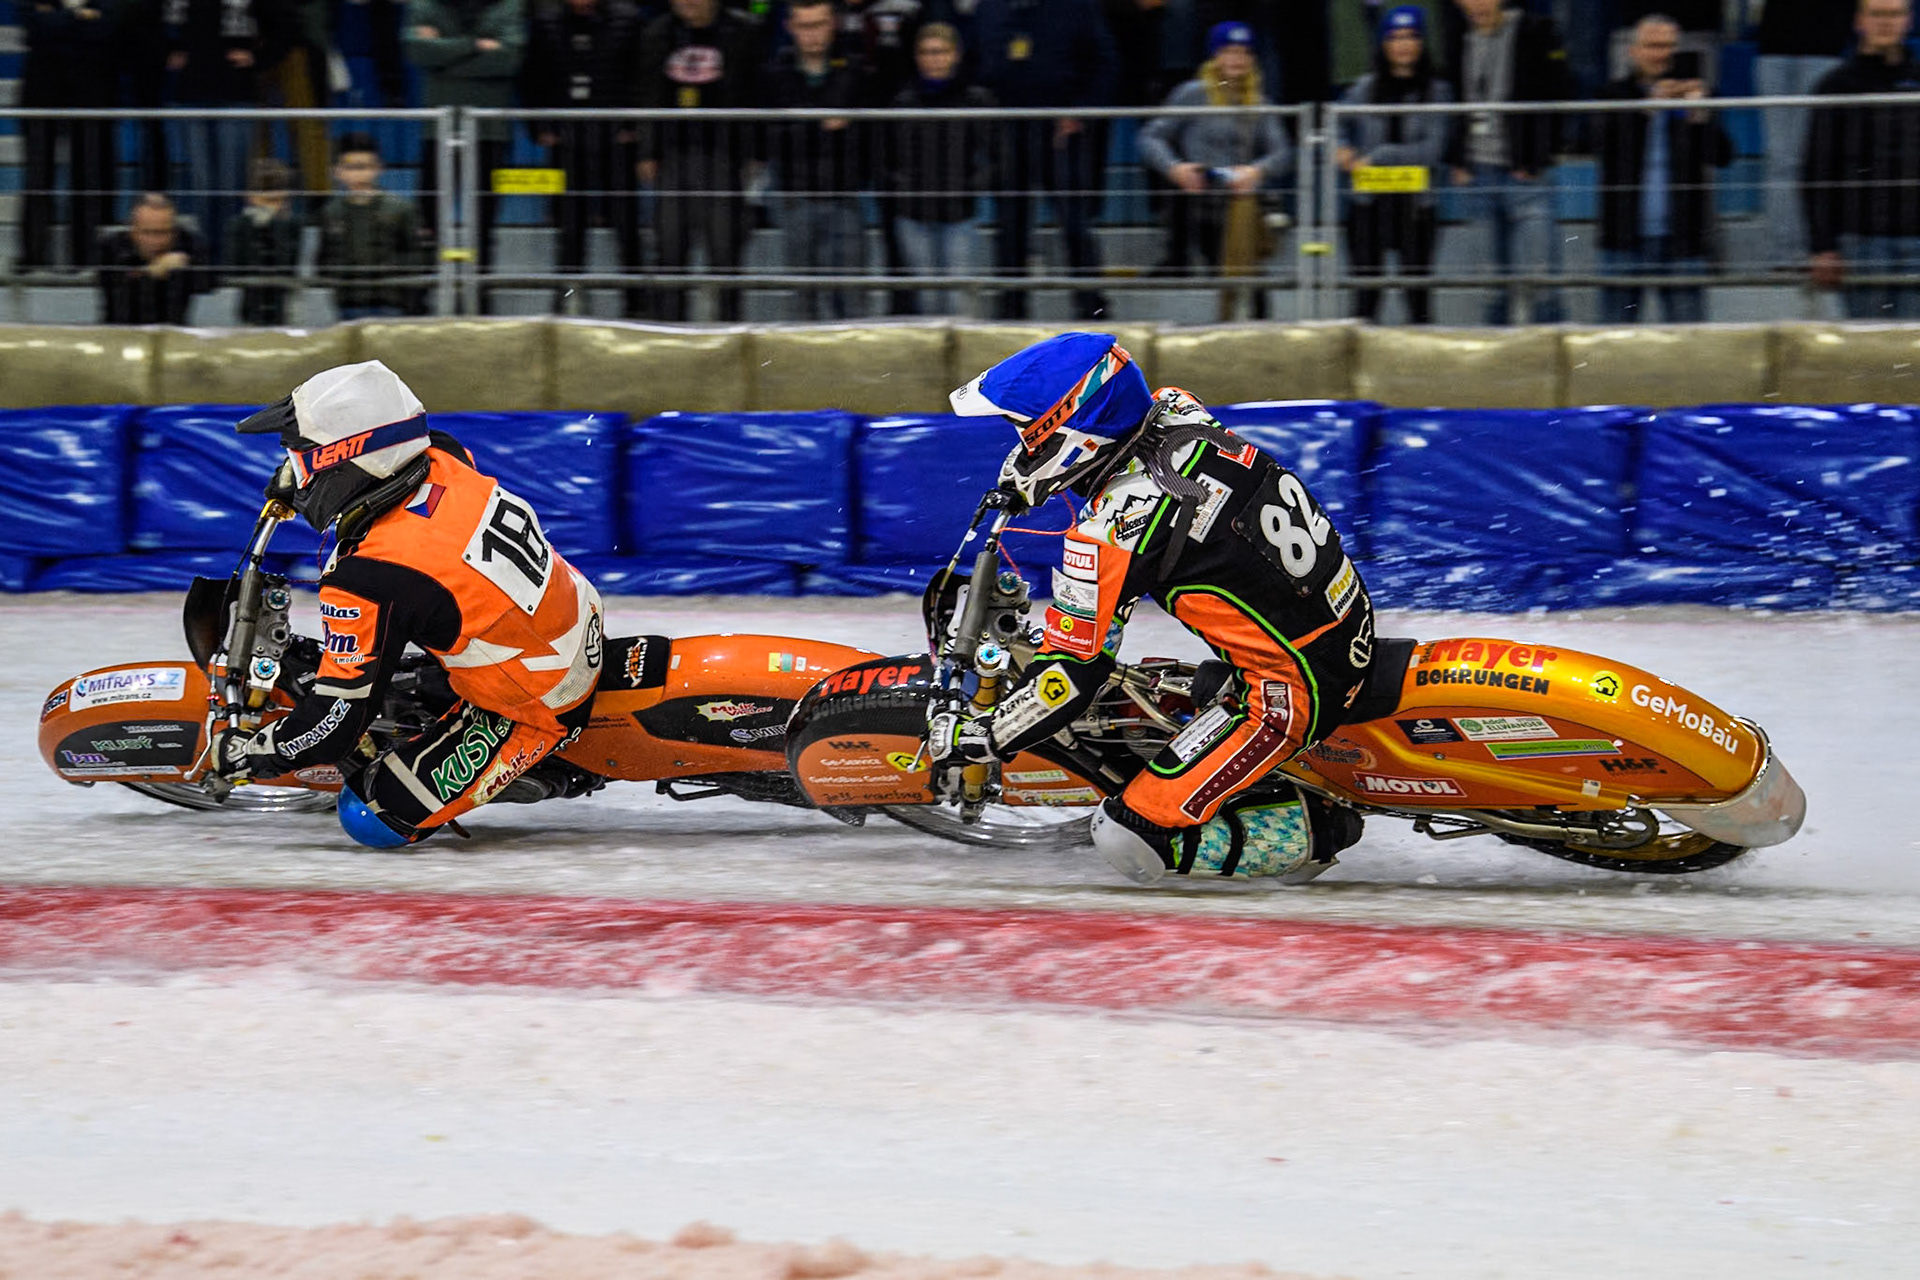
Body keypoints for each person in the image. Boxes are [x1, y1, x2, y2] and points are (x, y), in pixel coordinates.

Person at [929, 332, 1374, 886]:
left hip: (1295, 689)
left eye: (1025, 434)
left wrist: (987, 737)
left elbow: (1070, 676)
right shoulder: (1177, 409)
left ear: (1072, 435)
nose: (1019, 448)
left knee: (1125, 836)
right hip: (1339, 614)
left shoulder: (1109, 532)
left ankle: (1317, 830)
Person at [208, 360, 607, 848]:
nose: (295, 475)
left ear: (351, 459)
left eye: (302, 462)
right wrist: (302, 472)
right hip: (563, 617)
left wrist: (253, 753)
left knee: (370, 813)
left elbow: (332, 728)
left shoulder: (372, 576)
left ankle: (540, 763)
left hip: (541, 696)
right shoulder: (441, 455)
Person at [972, 0, 1119, 321]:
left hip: (1060, 131)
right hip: (1008, 131)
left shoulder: (1077, 8)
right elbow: (976, 66)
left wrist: (1078, 112)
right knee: (1011, 225)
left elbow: (1105, 63)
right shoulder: (991, 8)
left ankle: (1092, 307)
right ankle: (1011, 309)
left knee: (1074, 223)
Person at [1137, 21, 1290, 321]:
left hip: (1240, 201)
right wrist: (1175, 168)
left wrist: (1256, 171)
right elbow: (1150, 136)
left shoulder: (1259, 102)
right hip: (1199, 199)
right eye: (1228, 51)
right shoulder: (1192, 94)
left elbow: (1283, 152)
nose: (1236, 59)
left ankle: (1259, 332)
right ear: (1214, 56)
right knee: (1219, 273)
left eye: (1243, 52)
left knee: (1253, 278)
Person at [1593, 14, 1732, 325]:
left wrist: (1700, 115)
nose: (1661, 54)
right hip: (1624, 237)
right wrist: (1648, 108)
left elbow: (1722, 155)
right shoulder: (1613, 95)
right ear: (1633, 51)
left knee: (1688, 341)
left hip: (1682, 240)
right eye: (1652, 46)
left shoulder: (1696, 95)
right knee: (1615, 339)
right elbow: (1596, 142)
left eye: (1668, 46)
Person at [1444, 0, 1576, 325]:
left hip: (1526, 176)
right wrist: (1458, 159)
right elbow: (1455, 101)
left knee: (1542, 280)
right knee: (1492, 286)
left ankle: (1554, 366)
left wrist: (1539, 157)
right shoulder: (1457, 37)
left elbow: (1561, 93)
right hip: (1479, 175)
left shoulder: (1535, 31)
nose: (1476, 4)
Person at [635, 0, 768, 321]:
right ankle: (669, 335)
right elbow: (648, 94)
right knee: (670, 254)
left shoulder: (745, 31)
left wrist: (757, 153)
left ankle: (730, 335)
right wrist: (647, 151)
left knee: (725, 255)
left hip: (724, 157)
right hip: (673, 157)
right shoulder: (657, 33)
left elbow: (757, 93)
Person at [522, 0, 648, 317]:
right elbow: (533, 76)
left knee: (627, 228)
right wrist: (540, 127)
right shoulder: (545, 21)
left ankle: (637, 309)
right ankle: (567, 306)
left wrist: (634, 126)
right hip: (566, 141)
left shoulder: (628, 19)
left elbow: (640, 74)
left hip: (618, 140)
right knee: (569, 230)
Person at [1803, 0, 1920, 321]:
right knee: (1869, 358)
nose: (1886, 22)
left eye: (1894, 14)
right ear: (1860, 21)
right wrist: (1822, 246)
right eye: (1878, 14)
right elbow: (1816, 170)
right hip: (1861, 241)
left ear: (1908, 20)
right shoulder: (1835, 86)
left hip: (1916, 240)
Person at [1336, 5, 1453, 325]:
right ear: (1384, 44)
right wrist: (1342, 148)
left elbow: (1432, 149)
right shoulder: (1363, 88)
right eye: (1396, 37)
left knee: (1418, 300)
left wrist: (1378, 157)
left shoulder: (1438, 91)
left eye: (1411, 36)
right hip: (1368, 204)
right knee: (1364, 300)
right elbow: (1337, 124)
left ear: (1422, 43)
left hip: (1415, 205)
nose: (1403, 44)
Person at [761, 0, 869, 321]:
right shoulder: (775, 74)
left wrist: (804, 124)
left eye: (820, 24)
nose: (813, 34)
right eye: (805, 26)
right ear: (790, 27)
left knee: (850, 295)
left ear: (832, 24)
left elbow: (862, 135)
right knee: (802, 295)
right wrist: (822, 124)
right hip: (796, 195)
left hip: (844, 192)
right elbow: (773, 136)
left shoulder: (853, 69)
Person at [404, 0, 526, 275]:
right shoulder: (424, 6)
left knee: (484, 221)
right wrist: (474, 46)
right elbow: (418, 52)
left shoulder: (509, 6)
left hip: (490, 131)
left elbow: (508, 60)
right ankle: (425, 290)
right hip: (440, 129)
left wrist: (445, 59)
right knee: (428, 217)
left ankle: (480, 293)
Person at [886, 21, 996, 315]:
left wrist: (972, 186)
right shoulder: (902, 102)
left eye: (940, 51)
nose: (933, 58)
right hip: (913, 214)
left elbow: (994, 153)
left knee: (959, 304)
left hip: (959, 214)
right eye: (926, 52)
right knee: (927, 305)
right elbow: (886, 155)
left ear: (954, 54)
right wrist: (900, 187)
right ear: (917, 57)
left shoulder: (975, 101)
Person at [18, 0, 120, 269]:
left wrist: (58, 18)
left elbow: (106, 29)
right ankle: (33, 255)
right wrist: (81, 17)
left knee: (86, 175)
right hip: (41, 92)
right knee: (38, 176)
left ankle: (84, 256)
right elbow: (35, 28)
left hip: (90, 90)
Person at [1755, 0, 1855, 265]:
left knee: (1812, 154)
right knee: (1780, 157)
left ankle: (1818, 246)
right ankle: (1784, 252)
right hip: (1775, 49)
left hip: (1825, 47)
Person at [315, 132, 431, 319]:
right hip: (347, 301)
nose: (359, 173)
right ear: (338, 172)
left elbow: (417, 256)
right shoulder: (331, 212)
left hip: (391, 301)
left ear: (378, 168)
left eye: (365, 166)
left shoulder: (400, 208)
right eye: (351, 167)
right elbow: (324, 258)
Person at [97, 192, 213, 324]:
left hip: (174, 333)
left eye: (164, 232)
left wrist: (187, 264)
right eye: (147, 232)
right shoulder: (111, 246)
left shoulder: (189, 242)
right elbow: (120, 302)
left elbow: (208, 283)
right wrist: (153, 271)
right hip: (121, 332)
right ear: (133, 230)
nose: (156, 241)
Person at [225, 157, 302, 327]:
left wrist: (276, 226)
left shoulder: (292, 225)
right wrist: (257, 228)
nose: (276, 207)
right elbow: (235, 268)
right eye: (270, 201)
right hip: (250, 309)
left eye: (282, 201)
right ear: (251, 198)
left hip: (283, 310)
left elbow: (289, 266)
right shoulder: (238, 226)